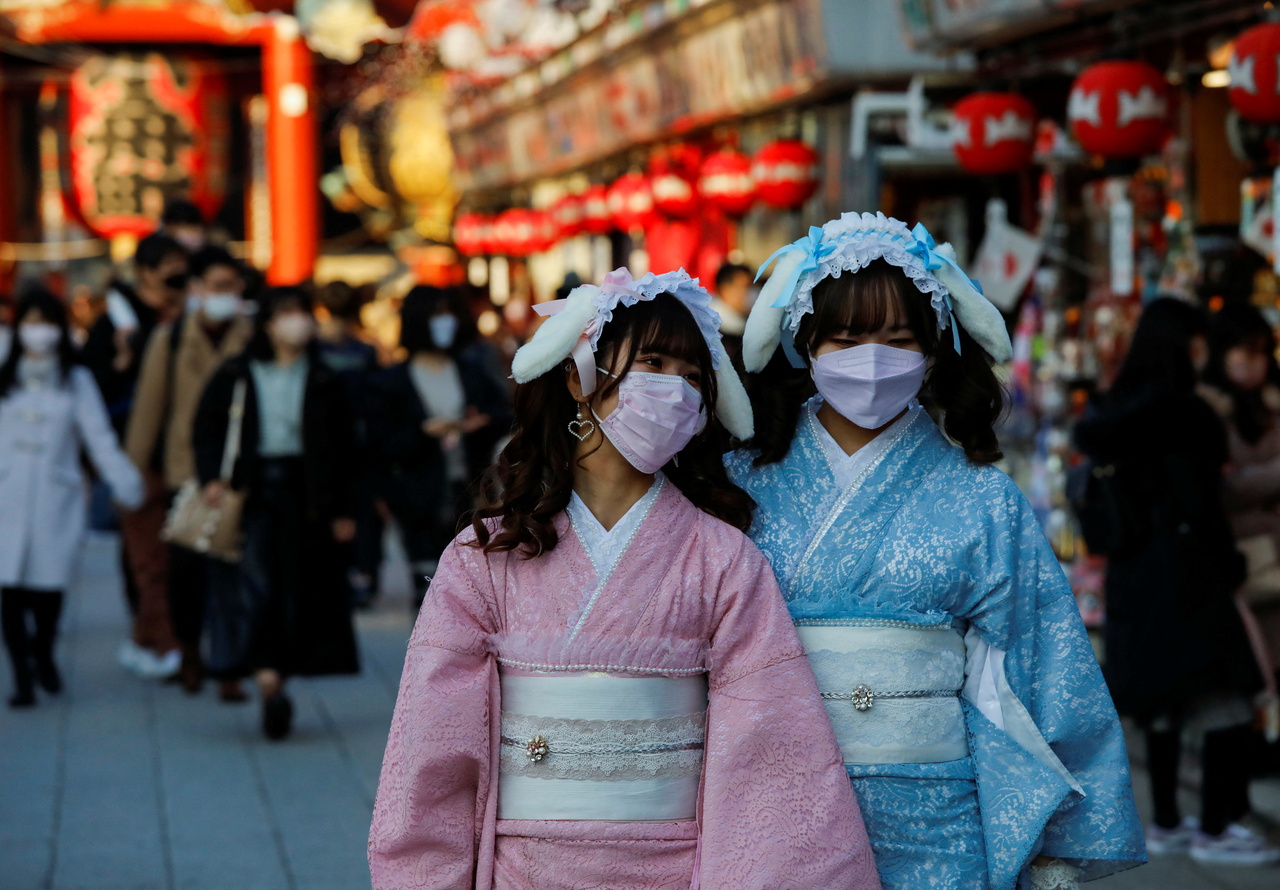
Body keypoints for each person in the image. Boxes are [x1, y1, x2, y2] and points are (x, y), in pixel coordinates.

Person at [367, 268, 880, 890]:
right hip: (524, 869)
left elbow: (769, 759)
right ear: (579, 377)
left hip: (676, 865)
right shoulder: (484, 558)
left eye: (693, 376)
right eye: (654, 362)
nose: (676, 389)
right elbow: (433, 754)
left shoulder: (724, 559)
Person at [726, 213, 1146, 890]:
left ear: (931, 352)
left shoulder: (983, 497)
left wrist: (1057, 842)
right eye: (849, 336)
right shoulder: (742, 485)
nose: (873, 357)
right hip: (778, 807)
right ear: (806, 342)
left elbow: (1042, 662)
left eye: (898, 339)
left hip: (937, 819)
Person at [1075, 298, 1276, 866]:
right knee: (1228, 700)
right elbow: (1202, 503)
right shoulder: (1186, 415)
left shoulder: (1113, 411)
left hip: (1134, 579)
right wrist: (1229, 566)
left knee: (1161, 707)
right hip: (1191, 578)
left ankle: (1164, 821)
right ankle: (1215, 826)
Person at [193, 287, 359, 739]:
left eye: (302, 313)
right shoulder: (238, 372)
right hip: (252, 491)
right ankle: (268, 677)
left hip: (308, 495)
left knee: (299, 586)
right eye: (286, 313)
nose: (297, 322)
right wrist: (211, 477)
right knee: (256, 583)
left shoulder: (324, 376)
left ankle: (277, 675)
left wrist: (346, 510)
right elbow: (205, 427)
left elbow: (346, 450)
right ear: (267, 321)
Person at [0, 288, 143, 707]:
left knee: (48, 587)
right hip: (6, 493)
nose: (38, 332)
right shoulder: (4, 374)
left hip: (55, 494)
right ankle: (23, 675)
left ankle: (43, 650)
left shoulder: (76, 380)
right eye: (30, 322)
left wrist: (123, 481)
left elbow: (98, 438)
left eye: (46, 322)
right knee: (7, 588)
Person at [126, 245, 255, 697]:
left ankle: (231, 666)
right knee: (185, 575)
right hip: (186, 472)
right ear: (197, 289)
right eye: (218, 287)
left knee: (233, 573)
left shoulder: (252, 335)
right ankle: (190, 650)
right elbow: (150, 405)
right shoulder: (173, 336)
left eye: (233, 287)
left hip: (238, 470)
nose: (226, 296)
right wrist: (136, 468)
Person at [366, 285, 511, 608]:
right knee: (430, 588)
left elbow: (504, 414)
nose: (443, 321)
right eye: (435, 314)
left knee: (473, 587)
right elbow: (379, 441)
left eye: (448, 313)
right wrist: (421, 432)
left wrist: (481, 422)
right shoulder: (391, 381)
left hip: (470, 490)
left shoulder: (470, 372)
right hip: (417, 493)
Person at [82, 233, 188, 674]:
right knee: (148, 560)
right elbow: (89, 387)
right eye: (170, 266)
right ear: (145, 271)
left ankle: (151, 638)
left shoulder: (190, 316)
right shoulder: (116, 324)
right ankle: (166, 644)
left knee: (178, 558)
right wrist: (120, 364)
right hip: (136, 454)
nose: (178, 275)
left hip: (183, 455)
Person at [314, 281, 382, 606]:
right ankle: (362, 575)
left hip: (329, 443)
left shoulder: (315, 349)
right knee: (361, 512)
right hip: (358, 443)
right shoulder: (364, 350)